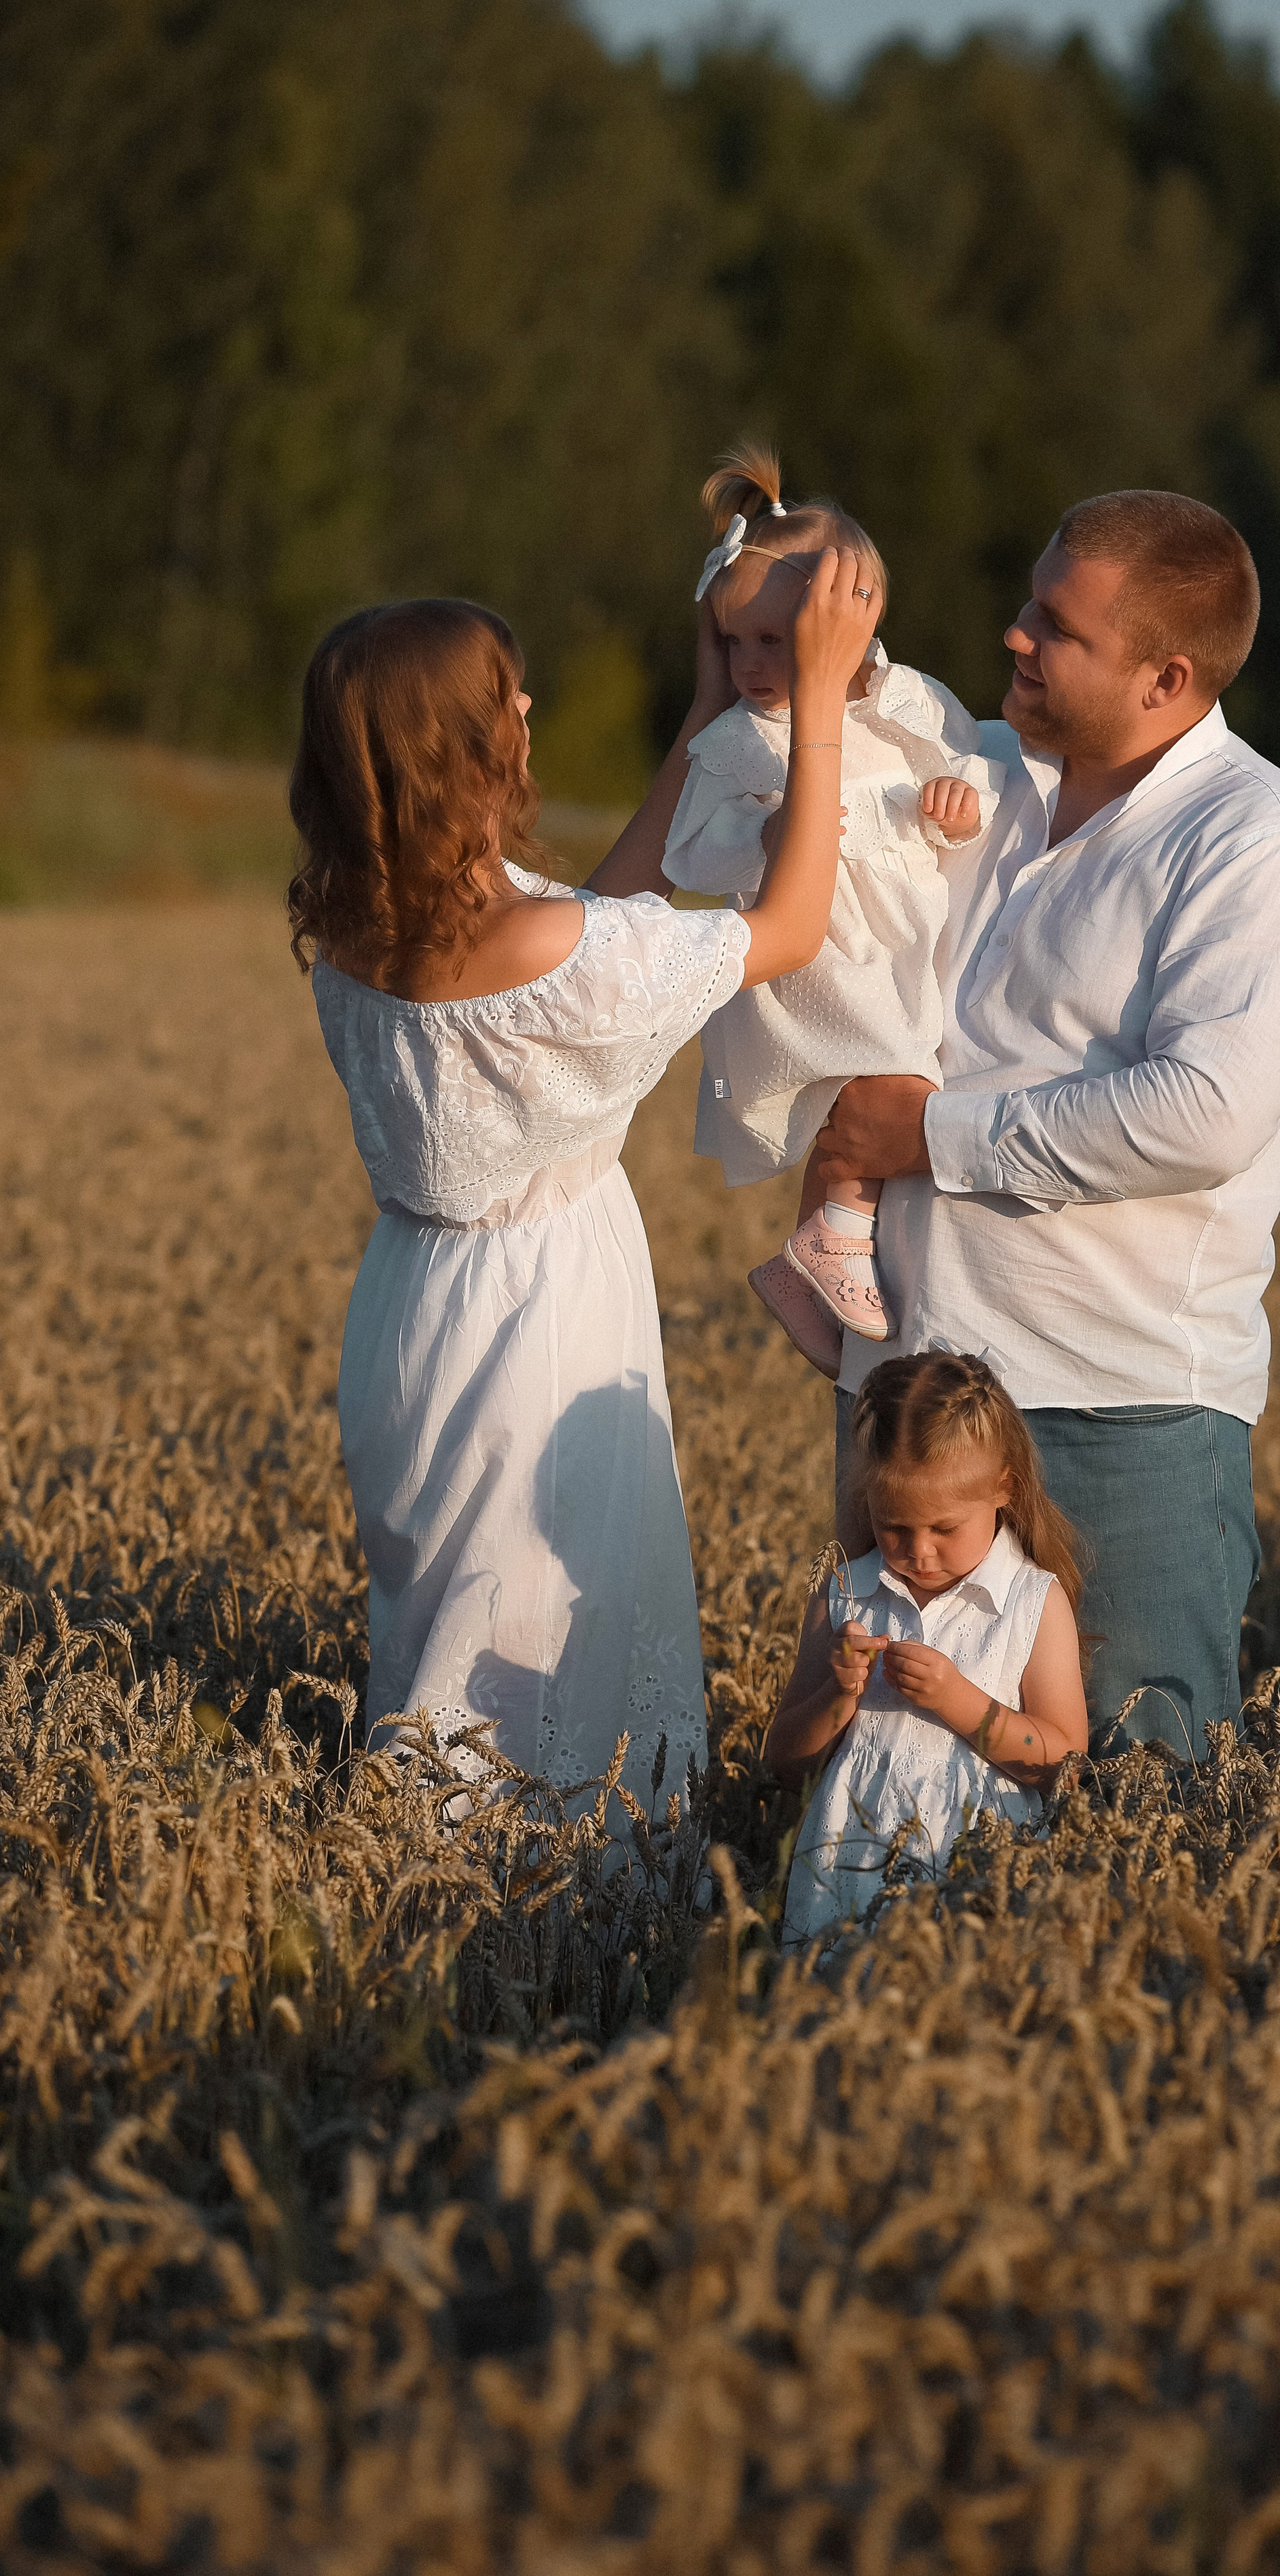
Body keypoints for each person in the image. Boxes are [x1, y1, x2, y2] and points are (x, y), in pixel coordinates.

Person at [290, 559, 877, 1811]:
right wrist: (818, 697)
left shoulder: (364, 923)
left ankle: (432, 1866)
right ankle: (539, 1899)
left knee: (447, 1611)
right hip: (536, 1318)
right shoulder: (537, 947)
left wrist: (701, 718)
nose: (531, 710)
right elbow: (788, 928)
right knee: (542, 1625)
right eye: (510, 698)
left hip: (412, 1305)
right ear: (466, 748)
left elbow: (598, 921)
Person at [816, 491, 1280, 1765]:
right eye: (1025, 606)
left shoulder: (1258, 842)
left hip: (1114, 1411)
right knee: (894, 1786)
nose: (1012, 638)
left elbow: (1205, 1113)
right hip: (913, 1396)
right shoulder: (984, 783)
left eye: (1055, 630)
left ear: (1169, 679)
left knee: (1135, 1798)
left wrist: (931, 1138)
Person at [663, 443, 995, 1378]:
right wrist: (762, 845)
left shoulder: (912, 705)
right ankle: (831, 1240)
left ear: (855, 619)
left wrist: (959, 814)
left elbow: (970, 776)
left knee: (891, 1077)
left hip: (899, 944)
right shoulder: (741, 740)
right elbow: (689, 849)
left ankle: (813, 1259)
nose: (752, 663)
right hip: (812, 951)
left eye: (775, 640)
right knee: (888, 1080)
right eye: (735, 641)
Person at [768, 1352, 1088, 1941]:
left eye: (944, 1529)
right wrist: (838, 1697)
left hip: (980, 1875)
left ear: (1005, 1488)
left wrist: (957, 1700)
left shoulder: (1032, 1601)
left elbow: (1062, 1762)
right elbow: (784, 1760)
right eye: (895, 1526)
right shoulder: (846, 1589)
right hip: (845, 1874)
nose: (919, 1551)